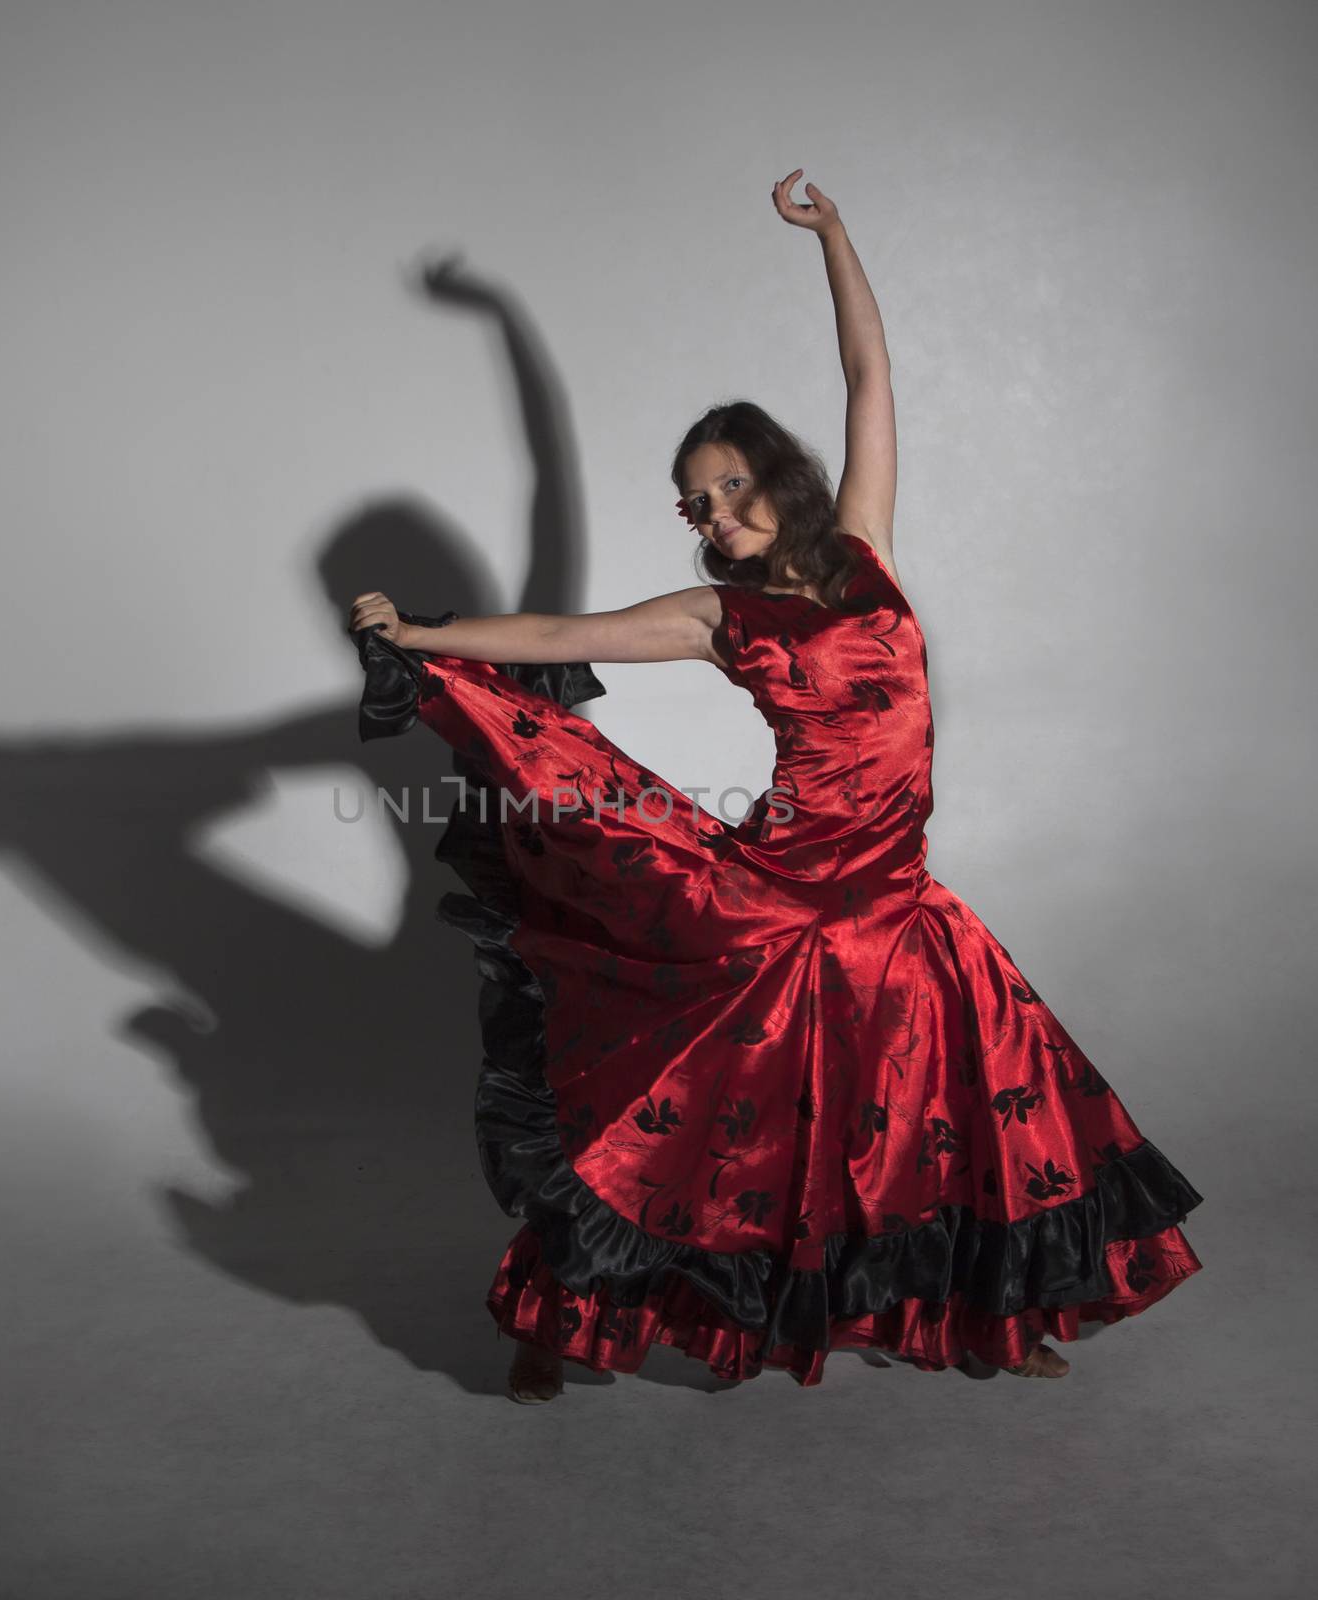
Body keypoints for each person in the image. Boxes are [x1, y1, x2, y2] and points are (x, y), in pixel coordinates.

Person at [347, 170, 1204, 1403]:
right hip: (785, 903)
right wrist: (423, 639)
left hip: (900, 906)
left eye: (731, 482)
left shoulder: (865, 549)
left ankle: (988, 1306)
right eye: (695, 501)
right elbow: (548, 622)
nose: (713, 510)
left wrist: (832, 236)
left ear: (776, 473)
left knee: (958, 1119)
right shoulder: (716, 616)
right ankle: (557, 1312)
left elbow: (869, 379)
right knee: (674, 1126)